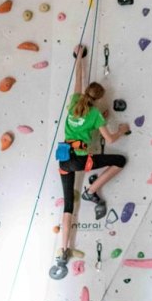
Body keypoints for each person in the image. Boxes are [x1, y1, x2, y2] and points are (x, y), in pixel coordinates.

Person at [57, 45, 130, 263]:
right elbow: (110, 140)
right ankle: (91, 190)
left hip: (64, 158)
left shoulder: (74, 102)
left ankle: (63, 251)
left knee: (68, 204)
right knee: (119, 160)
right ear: (98, 99)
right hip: (80, 160)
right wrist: (122, 130)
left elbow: (78, 78)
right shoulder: (96, 114)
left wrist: (79, 56)